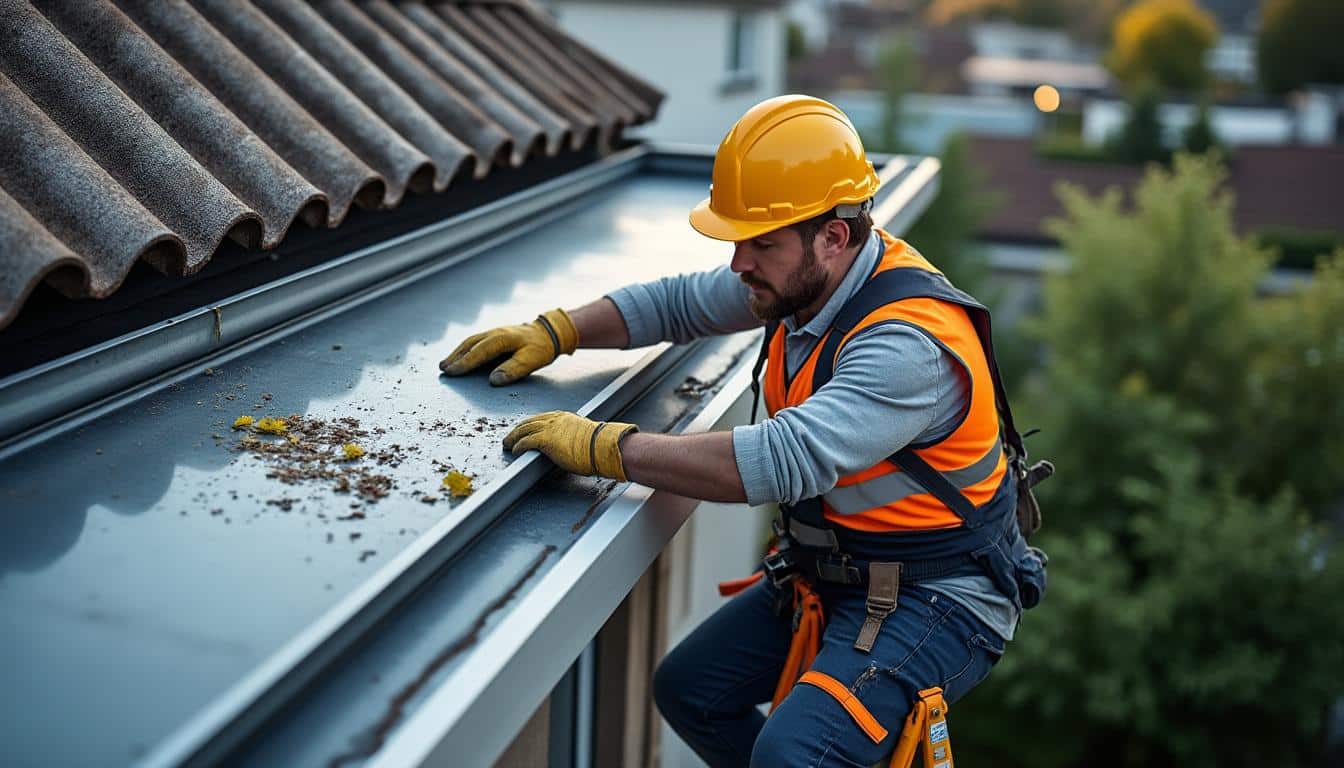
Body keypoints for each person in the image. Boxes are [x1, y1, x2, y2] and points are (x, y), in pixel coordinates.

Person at [440, 95, 1046, 767]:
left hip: (938, 595)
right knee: (691, 691)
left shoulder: (907, 347)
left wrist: (603, 447)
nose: (739, 264)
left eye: (760, 244)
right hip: (845, 573)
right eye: (737, 241)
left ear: (834, 237)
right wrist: (556, 331)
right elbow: (676, 303)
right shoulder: (803, 280)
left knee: (791, 754)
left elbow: (778, 461)